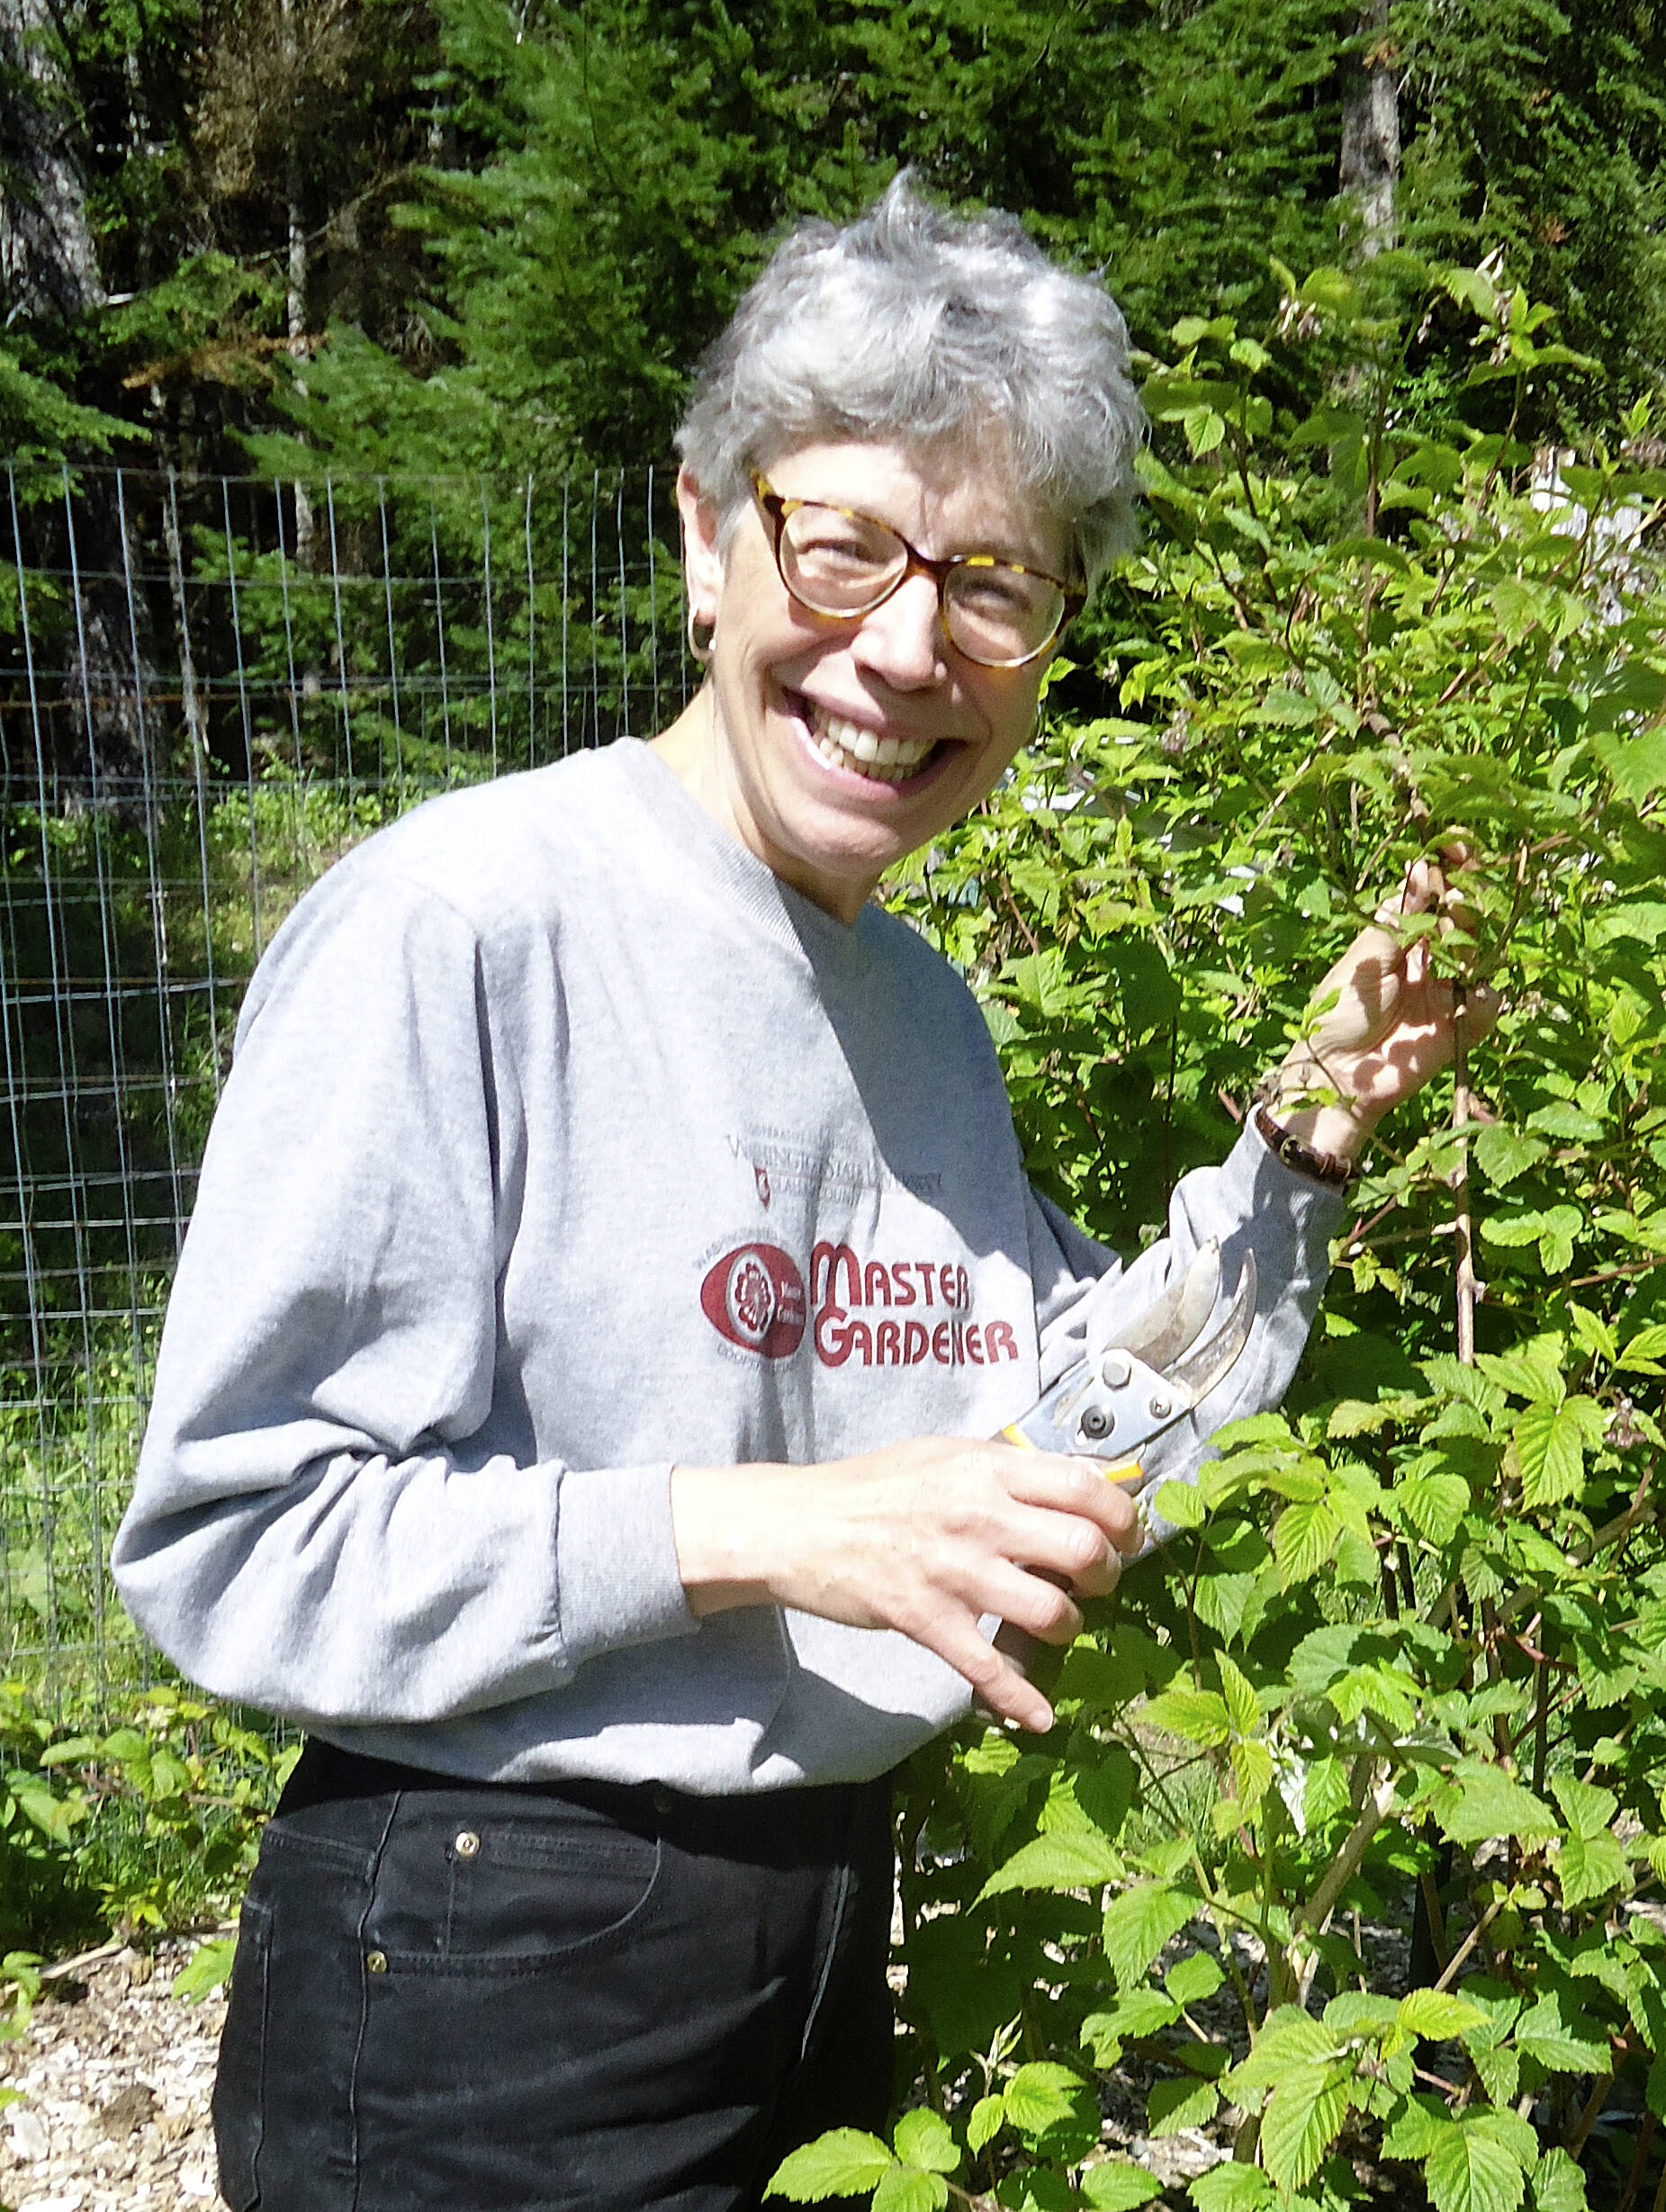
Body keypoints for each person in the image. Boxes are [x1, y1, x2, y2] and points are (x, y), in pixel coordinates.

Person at [112, 177, 1487, 2212]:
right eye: (840, 545)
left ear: (1044, 643)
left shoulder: (915, 1009)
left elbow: (1037, 1457)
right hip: (489, 1959)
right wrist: (775, 1529)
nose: (905, 646)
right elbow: (238, 1539)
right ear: (700, 530)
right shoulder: (463, 920)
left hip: (823, 1933)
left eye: (992, 581)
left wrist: (1297, 1147)